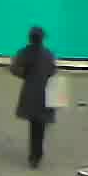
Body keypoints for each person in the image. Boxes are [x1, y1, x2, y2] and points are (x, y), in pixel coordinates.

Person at [12, 26, 60, 167]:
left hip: (31, 92)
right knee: (41, 125)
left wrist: (26, 75)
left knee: (34, 125)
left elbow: (15, 69)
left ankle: (34, 156)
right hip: (46, 91)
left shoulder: (25, 53)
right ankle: (37, 154)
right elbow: (53, 71)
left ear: (30, 37)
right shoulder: (48, 54)